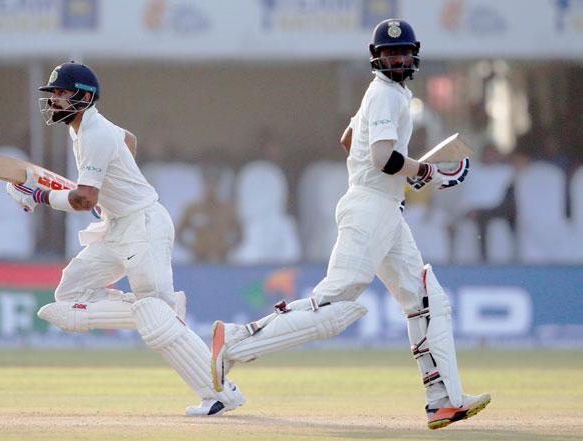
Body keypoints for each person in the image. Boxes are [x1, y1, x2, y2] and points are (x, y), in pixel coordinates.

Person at [209, 19, 490, 429]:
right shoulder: (387, 96)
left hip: (384, 208)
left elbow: (349, 140)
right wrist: (425, 172)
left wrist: (407, 171)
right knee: (334, 306)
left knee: (426, 300)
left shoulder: (381, 96)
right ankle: (232, 342)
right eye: (390, 54)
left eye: (403, 53)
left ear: (414, 55)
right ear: (376, 58)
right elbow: (381, 159)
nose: (397, 59)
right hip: (371, 207)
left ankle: (443, 400)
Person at [5, 61, 244, 416]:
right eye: (52, 94)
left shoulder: (94, 134)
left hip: (143, 227)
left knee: (157, 323)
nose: (54, 100)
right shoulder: (86, 127)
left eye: (60, 93)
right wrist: (111, 194)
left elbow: (83, 199)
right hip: (117, 227)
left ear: (83, 97)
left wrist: (40, 196)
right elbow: (128, 141)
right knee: (69, 296)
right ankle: (155, 311)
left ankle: (220, 394)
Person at [177, 165, 242, 262]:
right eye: (208, 183)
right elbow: (178, 234)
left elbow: (240, 234)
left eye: (214, 184)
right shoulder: (193, 209)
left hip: (222, 260)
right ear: (203, 185)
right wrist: (193, 248)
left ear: (219, 186)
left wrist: (226, 249)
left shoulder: (227, 209)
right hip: (198, 260)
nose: (211, 188)